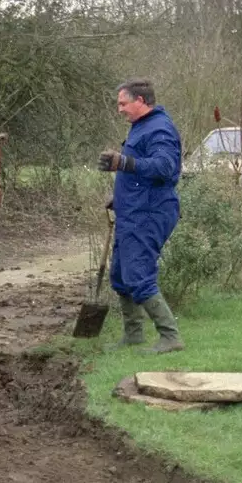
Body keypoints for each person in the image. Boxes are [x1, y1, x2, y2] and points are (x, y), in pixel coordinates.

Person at [99, 79, 185, 354]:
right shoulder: (141, 128)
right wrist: (121, 197)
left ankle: (170, 337)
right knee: (121, 275)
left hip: (150, 213)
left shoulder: (160, 129)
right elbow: (141, 174)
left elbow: (164, 167)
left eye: (123, 104)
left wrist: (123, 162)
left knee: (138, 274)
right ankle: (133, 334)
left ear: (141, 101)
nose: (120, 110)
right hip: (133, 210)